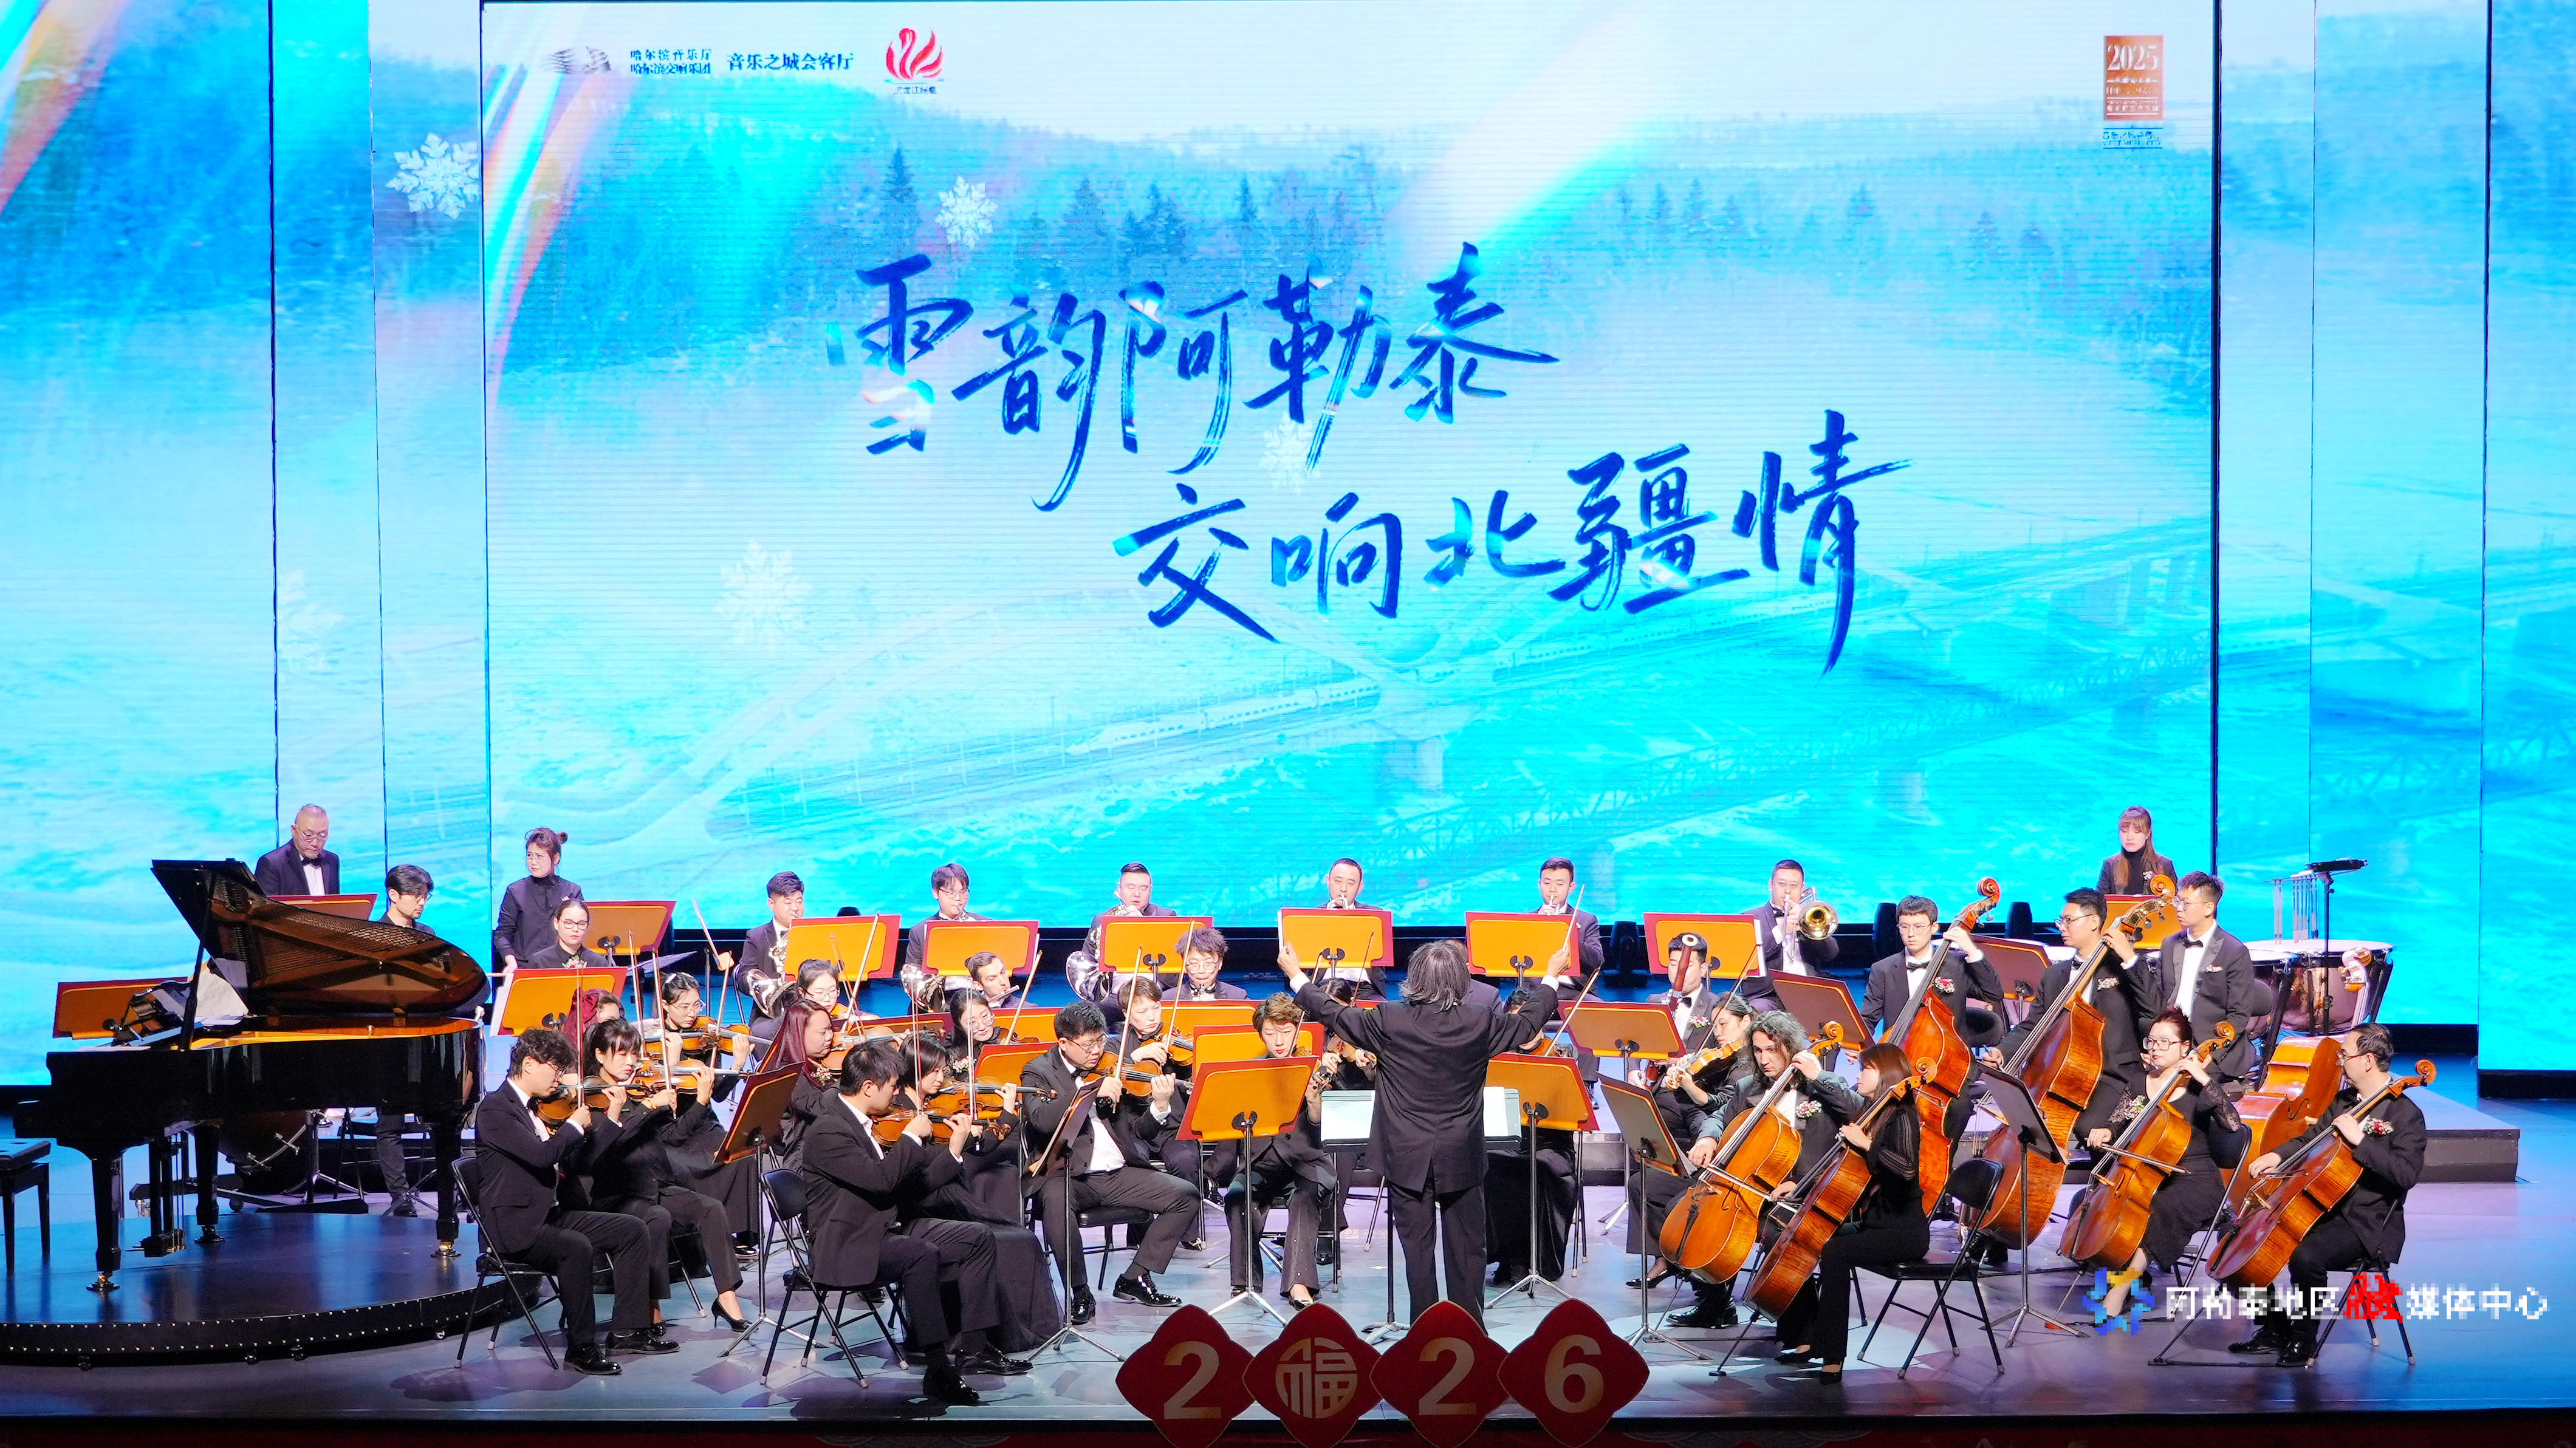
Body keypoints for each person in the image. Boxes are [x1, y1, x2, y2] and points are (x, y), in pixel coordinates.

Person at [1290, 937, 1568, 1328]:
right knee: (1467, 1249)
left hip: (1405, 1154)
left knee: (1417, 1251)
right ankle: (1469, 1331)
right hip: (1461, 1152)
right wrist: (1551, 977)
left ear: (1415, 978)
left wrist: (1297, 975)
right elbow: (1527, 1024)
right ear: (1459, 980)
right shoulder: (1480, 1021)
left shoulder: (1388, 1019)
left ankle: (1425, 1331)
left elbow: (1333, 1013)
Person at [800, 1040, 998, 1404]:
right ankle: (938, 1369)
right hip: (848, 1243)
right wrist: (910, 1138)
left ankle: (974, 1347)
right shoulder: (829, 1131)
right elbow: (881, 1181)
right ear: (869, 1087)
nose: (897, 1092)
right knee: (920, 1255)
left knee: (978, 1237)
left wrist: (954, 1151)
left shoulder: (869, 1123)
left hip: (886, 1225)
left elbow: (908, 1187)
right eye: (893, 1085)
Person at [2230, 1022, 2426, 1367]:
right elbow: (2312, 1140)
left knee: (2305, 1256)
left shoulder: (2406, 1114)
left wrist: (2361, 1141)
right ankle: (2275, 1327)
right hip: (2320, 1206)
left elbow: (2406, 1174)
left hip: (2365, 1220)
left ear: (2368, 1061)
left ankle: (2304, 1340)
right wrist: (2277, 1155)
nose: (2340, 1062)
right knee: (2241, 1239)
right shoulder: (2344, 1102)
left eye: (2344, 1055)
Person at [470, 1027, 660, 1375]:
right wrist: (572, 1127)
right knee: (575, 1247)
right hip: (515, 1227)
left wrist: (604, 1122)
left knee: (632, 1230)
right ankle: (581, 1347)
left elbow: (572, 1162)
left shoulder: (539, 1109)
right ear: (529, 1064)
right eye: (555, 1070)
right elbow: (541, 1156)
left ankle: (627, 1331)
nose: (559, 1079)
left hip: (550, 1214)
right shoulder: (495, 1110)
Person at [1674, 1008, 1858, 1331]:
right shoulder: (1749, 1087)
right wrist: (1707, 1137)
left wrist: (1818, 1076)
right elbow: (1720, 1117)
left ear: (1791, 1047)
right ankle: (1715, 1304)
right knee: (1687, 1212)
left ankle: (1801, 1328)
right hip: (1757, 1183)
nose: (1764, 1059)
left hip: (1807, 1188)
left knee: (1778, 1230)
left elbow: (1858, 1110)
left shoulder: (1822, 1086)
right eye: (1758, 1051)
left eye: (1772, 1050)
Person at [1021, 1000, 1204, 1323]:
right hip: (1067, 1175)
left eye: (1101, 1041)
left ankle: (1136, 1276)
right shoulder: (1039, 1071)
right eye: (1088, 1044)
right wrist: (1090, 1090)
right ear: (1064, 1043)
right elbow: (1042, 1120)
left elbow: (1139, 1132)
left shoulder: (1113, 1065)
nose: (1097, 1051)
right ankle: (1079, 1290)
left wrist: (1160, 1106)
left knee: (1186, 1195)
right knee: (1055, 1203)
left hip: (1118, 1172)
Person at [1765, 1040, 1928, 1382]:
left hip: (1902, 1233)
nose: (1859, 1075)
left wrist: (1866, 1144)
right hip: (1875, 1225)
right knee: (1810, 1236)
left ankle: (1833, 1355)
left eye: (1866, 1069)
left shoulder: (1903, 1116)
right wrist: (1802, 1186)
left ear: (1885, 1073)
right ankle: (1808, 1335)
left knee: (1835, 1252)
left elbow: (1906, 1169)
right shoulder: (1875, 1114)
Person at [578, 1020, 752, 1333]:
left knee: (711, 1209)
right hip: (619, 1194)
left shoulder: (638, 1089)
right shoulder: (592, 1098)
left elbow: (673, 1137)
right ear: (600, 1055)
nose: (631, 1062)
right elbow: (604, 1147)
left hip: (656, 1184)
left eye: (634, 1054)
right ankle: (651, 1307)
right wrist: (646, 1107)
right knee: (657, 1219)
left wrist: (700, 1102)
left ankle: (727, 1298)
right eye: (622, 1054)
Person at [2089, 1009, 2249, 1322]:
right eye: (2152, 1041)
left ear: (2185, 1047)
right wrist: (2107, 1130)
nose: (2156, 1048)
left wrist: (2203, 1078)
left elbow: (2233, 1125)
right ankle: (2131, 1272)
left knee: (2160, 1208)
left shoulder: (2199, 1087)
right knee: (2100, 1203)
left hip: (2194, 1178)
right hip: (2149, 1171)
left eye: (2165, 1042)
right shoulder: (2140, 1081)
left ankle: (2122, 1287)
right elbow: (2118, 1120)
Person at [1998, 889, 2156, 1149]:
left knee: (2089, 1127)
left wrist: (2129, 957)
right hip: (2062, 1074)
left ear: (2094, 922)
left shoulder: (2123, 968)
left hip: (2112, 1076)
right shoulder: (2054, 975)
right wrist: (2003, 1052)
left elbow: (2154, 1008)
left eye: (2069, 921)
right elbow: (2033, 1025)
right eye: (2061, 921)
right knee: (2027, 1125)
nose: (2062, 927)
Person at [1210, 994, 1335, 1310]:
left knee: (1305, 1199)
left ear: (1297, 1030)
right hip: (1261, 1162)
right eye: (1270, 1033)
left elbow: (1323, 1129)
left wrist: (1314, 1103)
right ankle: (1246, 1282)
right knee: (1237, 1197)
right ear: (1261, 1034)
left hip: (1305, 1163)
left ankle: (1299, 1284)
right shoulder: (1250, 1072)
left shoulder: (1313, 1068)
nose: (1279, 1041)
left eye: (1286, 1032)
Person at [1485, 986, 1579, 1288]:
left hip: (1552, 1143)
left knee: (1537, 1168)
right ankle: (1506, 1257)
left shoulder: (1561, 1053)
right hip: (1512, 1139)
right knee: (1491, 1165)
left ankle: (1531, 1260)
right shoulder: (1501, 1055)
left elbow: (1573, 1108)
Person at [2153, 872, 2260, 1082]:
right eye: (2177, 901)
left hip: (2214, 1048)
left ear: (2209, 908)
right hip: (2172, 1043)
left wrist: (2212, 1053)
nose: (2178, 908)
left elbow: (2239, 1014)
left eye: (2186, 903)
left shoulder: (2234, 951)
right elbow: (2157, 998)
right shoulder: (2169, 944)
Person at [374, 864, 437, 1215]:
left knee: (444, 1117)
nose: (422, 902)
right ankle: (400, 1197)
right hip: (389, 1040)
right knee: (391, 1124)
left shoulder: (428, 933)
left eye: (426, 896)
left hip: (425, 1036)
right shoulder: (373, 935)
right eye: (416, 896)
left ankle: (450, 1190)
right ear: (394, 895)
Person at [1064, 862, 1180, 1011]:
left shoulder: (1166, 917)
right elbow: (1088, 959)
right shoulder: (1101, 920)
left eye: (1143, 888)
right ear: (1119, 888)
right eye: (1131, 887)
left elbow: (1173, 974)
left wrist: (1142, 927)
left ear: (1151, 890)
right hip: (1114, 994)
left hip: (1153, 990)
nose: (1137, 894)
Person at [1740, 859, 1839, 1011]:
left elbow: (1831, 954)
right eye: (1781, 884)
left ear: (1802, 888)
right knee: (1758, 1010)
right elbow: (1746, 958)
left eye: (1794, 885)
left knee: (1838, 1007)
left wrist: (1808, 929)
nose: (1788, 891)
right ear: (1771, 886)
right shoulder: (1751, 918)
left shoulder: (1809, 916)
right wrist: (1780, 931)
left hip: (1809, 991)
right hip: (1768, 996)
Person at [494, 828, 582, 972]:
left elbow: (580, 933)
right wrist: (511, 961)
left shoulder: (572, 891)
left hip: (563, 969)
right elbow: (503, 934)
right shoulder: (516, 891)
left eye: (540, 857)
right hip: (525, 968)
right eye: (530, 856)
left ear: (556, 858)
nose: (533, 862)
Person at [902, 862, 987, 1002]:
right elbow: (913, 977)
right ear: (936, 893)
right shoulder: (920, 931)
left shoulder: (984, 924)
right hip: (940, 999)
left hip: (980, 996)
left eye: (963, 892)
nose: (958, 898)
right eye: (951, 893)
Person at [727, 871, 804, 1020]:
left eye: (799, 902)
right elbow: (743, 978)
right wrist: (769, 986)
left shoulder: (815, 933)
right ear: (771, 904)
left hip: (811, 1011)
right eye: (788, 903)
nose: (795, 908)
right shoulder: (756, 937)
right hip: (769, 1017)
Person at [1534, 857, 1606, 975]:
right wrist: (1536, 924)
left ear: (1571, 887)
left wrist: (1567, 935)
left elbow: (1597, 961)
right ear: (1539, 884)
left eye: (1560, 884)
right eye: (1547, 883)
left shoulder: (1587, 920)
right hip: (1537, 984)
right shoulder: (1528, 919)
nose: (1552, 889)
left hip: (1572, 985)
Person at [255, 804, 341, 897]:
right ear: (294, 830)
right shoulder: (272, 864)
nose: (315, 843)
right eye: (308, 835)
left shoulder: (332, 861)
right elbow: (266, 906)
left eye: (322, 835)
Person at [2098, 805, 2178, 896]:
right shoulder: (2110, 865)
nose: (2129, 837)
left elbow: (2174, 902)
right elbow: (2099, 902)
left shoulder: (2164, 865)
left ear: (2148, 834)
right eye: (2124, 831)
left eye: (2137, 831)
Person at [524, 897, 613, 970]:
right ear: (556, 923)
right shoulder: (540, 962)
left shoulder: (598, 963)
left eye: (582, 924)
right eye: (569, 923)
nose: (575, 929)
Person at [1171, 926, 1248, 1002]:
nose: (1201, 971)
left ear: (1220, 963)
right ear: (1185, 964)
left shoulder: (1238, 997)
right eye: (1194, 964)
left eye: (1208, 963)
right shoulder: (1168, 998)